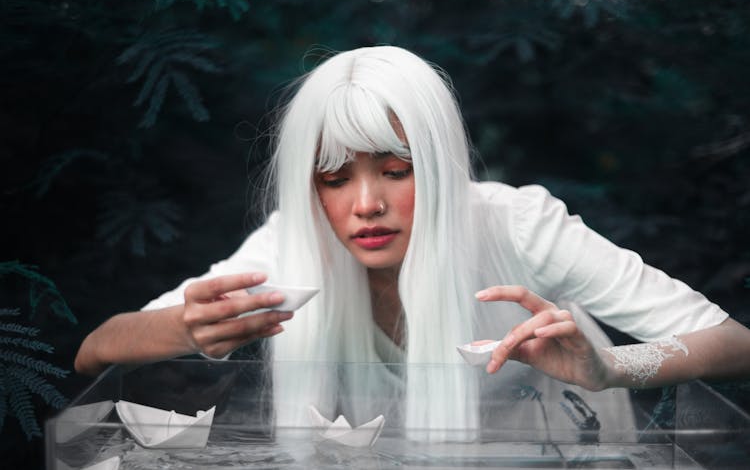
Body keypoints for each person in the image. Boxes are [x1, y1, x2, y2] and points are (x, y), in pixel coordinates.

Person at [75, 46, 750, 441]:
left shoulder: (517, 223)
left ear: (439, 160)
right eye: (334, 179)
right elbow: (95, 350)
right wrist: (186, 327)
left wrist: (612, 367)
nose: (366, 203)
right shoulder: (291, 243)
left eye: (396, 172)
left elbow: (733, 343)